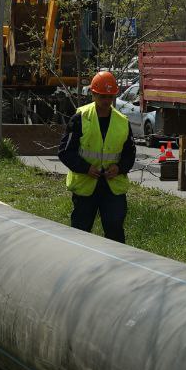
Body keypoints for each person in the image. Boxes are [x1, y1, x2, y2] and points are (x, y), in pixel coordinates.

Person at [58, 70, 135, 243]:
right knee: (80, 232)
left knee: (115, 229)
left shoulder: (122, 122)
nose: (106, 101)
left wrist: (119, 167)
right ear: (93, 94)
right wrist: (86, 168)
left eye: (110, 97)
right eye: (102, 97)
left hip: (112, 187)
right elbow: (65, 151)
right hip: (86, 186)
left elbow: (130, 154)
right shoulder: (80, 118)